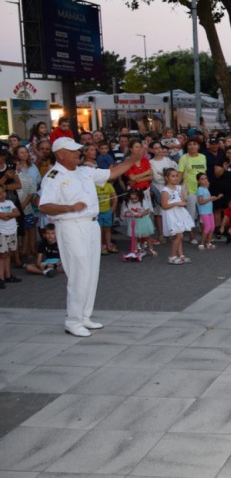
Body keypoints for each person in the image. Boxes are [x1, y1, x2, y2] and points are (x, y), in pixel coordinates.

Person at [38, 137, 141, 336]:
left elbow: (112, 172)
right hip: (71, 225)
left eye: (78, 150)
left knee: (92, 271)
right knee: (79, 273)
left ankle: (85, 316)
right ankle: (73, 320)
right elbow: (45, 205)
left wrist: (132, 159)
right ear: (60, 154)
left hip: (91, 224)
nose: (78, 153)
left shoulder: (85, 171)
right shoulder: (53, 176)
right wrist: (70, 207)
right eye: (73, 151)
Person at [160, 168, 195, 265]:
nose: (175, 178)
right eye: (173, 176)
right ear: (167, 178)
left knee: (180, 235)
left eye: (176, 176)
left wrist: (183, 201)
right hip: (171, 214)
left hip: (179, 213)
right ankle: (172, 256)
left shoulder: (179, 188)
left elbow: (183, 201)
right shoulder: (165, 190)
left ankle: (181, 255)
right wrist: (176, 203)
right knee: (179, 235)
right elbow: (164, 206)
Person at [177, 138, 207, 244]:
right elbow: (180, 175)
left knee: (203, 214)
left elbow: (204, 174)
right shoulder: (183, 158)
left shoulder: (203, 157)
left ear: (198, 146)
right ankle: (192, 236)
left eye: (195, 144)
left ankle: (205, 236)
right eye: (190, 144)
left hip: (202, 190)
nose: (192, 146)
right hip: (190, 191)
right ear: (187, 147)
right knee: (191, 214)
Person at [122, 188, 157, 256]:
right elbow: (125, 212)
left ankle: (150, 249)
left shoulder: (142, 201)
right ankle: (136, 249)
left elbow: (147, 211)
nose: (134, 200)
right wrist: (128, 214)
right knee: (135, 236)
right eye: (132, 199)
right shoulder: (127, 203)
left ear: (139, 197)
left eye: (135, 198)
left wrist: (142, 213)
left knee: (147, 236)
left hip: (144, 221)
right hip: (134, 222)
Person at [0, 186, 21, 289]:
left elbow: (17, 212)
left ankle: (8, 275)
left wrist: (8, 214)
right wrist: (10, 214)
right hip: (2, 233)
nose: (2, 194)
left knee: (8, 254)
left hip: (11, 231)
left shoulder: (9, 202)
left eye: (3, 192)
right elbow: (2, 217)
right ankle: (1, 278)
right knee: (2, 255)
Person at [196, 173, 221, 250]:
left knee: (212, 227)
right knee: (207, 227)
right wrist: (210, 199)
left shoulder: (206, 188)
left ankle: (209, 242)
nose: (205, 180)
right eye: (202, 179)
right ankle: (202, 243)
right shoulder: (200, 190)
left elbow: (209, 199)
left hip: (209, 211)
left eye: (206, 178)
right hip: (204, 212)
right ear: (198, 181)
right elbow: (201, 202)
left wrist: (217, 197)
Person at [95, 178, 118, 255]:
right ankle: (101, 247)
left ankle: (108, 245)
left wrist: (112, 209)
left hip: (107, 211)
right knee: (99, 230)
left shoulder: (108, 185)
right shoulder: (93, 186)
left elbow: (115, 198)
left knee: (107, 229)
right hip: (97, 212)